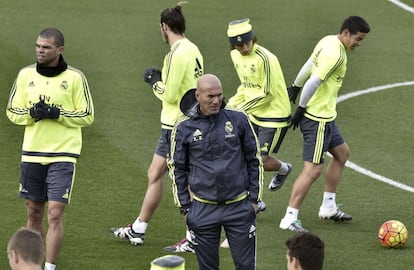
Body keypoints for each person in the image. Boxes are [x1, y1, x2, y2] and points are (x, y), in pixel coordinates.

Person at [110, 2, 204, 253]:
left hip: (177, 127)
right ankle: (138, 228)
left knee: (183, 184)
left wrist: (154, 82)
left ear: (164, 27)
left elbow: (171, 94)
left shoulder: (176, 53)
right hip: (180, 124)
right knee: (154, 173)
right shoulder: (193, 49)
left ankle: (194, 237)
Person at [6, 27, 95, 270]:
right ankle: (31, 264)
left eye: (46, 47)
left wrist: (59, 114)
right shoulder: (25, 75)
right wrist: (32, 114)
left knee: (55, 213)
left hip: (63, 154)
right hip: (32, 153)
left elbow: (87, 115)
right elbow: (12, 111)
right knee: (34, 212)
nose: (40, 51)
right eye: (38, 46)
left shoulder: (76, 78)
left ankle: (50, 267)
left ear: (60, 50)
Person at [279, 16, 370, 232]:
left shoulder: (328, 40)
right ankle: (289, 217)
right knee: (313, 169)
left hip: (326, 116)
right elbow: (314, 81)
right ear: (346, 33)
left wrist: (294, 85)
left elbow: (309, 64)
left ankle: (328, 206)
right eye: (358, 38)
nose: (360, 43)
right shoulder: (336, 54)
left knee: (342, 154)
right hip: (317, 118)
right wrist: (301, 108)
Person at [169, 74, 264, 270]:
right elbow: (177, 168)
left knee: (246, 267)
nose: (216, 101)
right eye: (210, 96)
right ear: (197, 95)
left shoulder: (238, 119)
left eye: (219, 96)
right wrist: (185, 207)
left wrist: (253, 200)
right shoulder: (184, 127)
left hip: (239, 208)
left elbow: (254, 160)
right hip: (203, 209)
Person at [226, 18, 292, 191]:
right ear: (233, 46)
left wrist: (239, 111)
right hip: (253, 114)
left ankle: (283, 169)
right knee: (240, 156)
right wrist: (230, 106)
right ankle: (254, 200)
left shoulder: (266, 58)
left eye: (247, 43)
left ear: (252, 38)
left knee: (260, 159)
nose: (245, 49)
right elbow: (246, 85)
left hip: (274, 115)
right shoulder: (235, 56)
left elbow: (268, 93)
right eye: (240, 46)